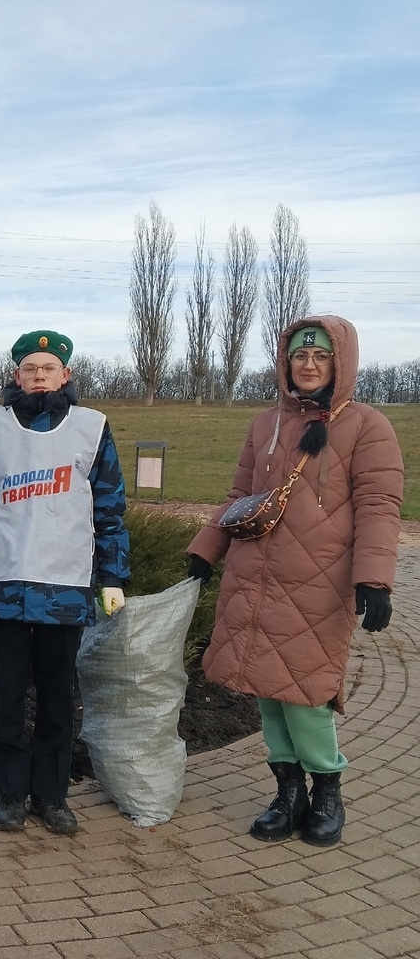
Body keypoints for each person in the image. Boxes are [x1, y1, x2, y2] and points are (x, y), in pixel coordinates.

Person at [187, 316, 402, 847]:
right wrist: (205, 550)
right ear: (287, 362)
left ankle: (327, 790)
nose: (308, 365)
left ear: (340, 363)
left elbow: (380, 505)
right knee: (266, 690)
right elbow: (240, 493)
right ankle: (287, 793)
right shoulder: (266, 424)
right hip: (253, 577)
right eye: (300, 356)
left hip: (317, 585)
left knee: (306, 695)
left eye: (321, 357)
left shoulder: (367, 426)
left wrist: (374, 581)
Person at [0, 330, 130, 836]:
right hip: (3, 580)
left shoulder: (92, 429)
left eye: (48, 368)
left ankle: (51, 795)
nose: (39, 376)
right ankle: (9, 790)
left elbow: (110, 508)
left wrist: (112, 576)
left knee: (56, 696)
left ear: (66, 374)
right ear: (16, 375)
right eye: (30, 368)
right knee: (3, 694)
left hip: (65, 585)